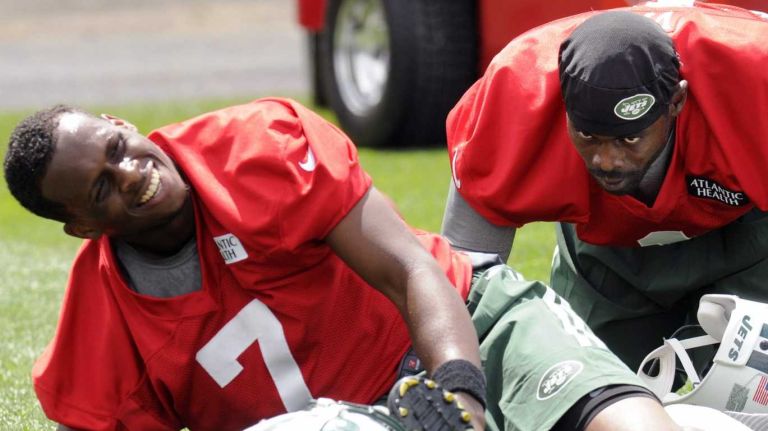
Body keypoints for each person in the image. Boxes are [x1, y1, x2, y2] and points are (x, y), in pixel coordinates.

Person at [5, 99, 679, 431]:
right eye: (101, 188)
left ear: (120, 123)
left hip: (467, 329)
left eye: (116, 147)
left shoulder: (256, 149)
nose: (131, 173)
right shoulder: (101, 328)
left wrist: (460, 399)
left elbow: (408, 269)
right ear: (82, 227)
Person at [441, 2, 768, 371]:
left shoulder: (756, 79)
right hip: (609, 250)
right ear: (562, 104)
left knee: (751, 385)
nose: (607, 161)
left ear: (677, 101)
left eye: (629, 138)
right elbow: (466, 286)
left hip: (751, 234)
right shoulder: (516, 93)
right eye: (588, 135)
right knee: (585, 382)